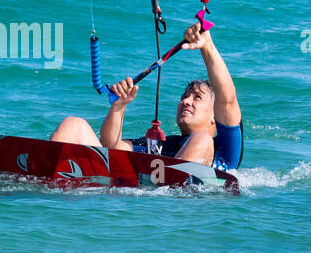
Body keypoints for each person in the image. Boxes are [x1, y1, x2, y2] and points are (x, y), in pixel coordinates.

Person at [49, 21, 242, 171]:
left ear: (214, 119)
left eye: (197, 98)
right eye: (185, 96)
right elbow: (110, 148)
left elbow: (228, 100)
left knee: (202, 140)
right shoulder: (161, 145)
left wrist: (207, 47)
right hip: (131, 193)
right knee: (73, 125)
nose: (186, 101)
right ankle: (42, 174)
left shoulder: (224, 154)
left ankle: (175, 182)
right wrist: (118, 107)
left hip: (175, 210)